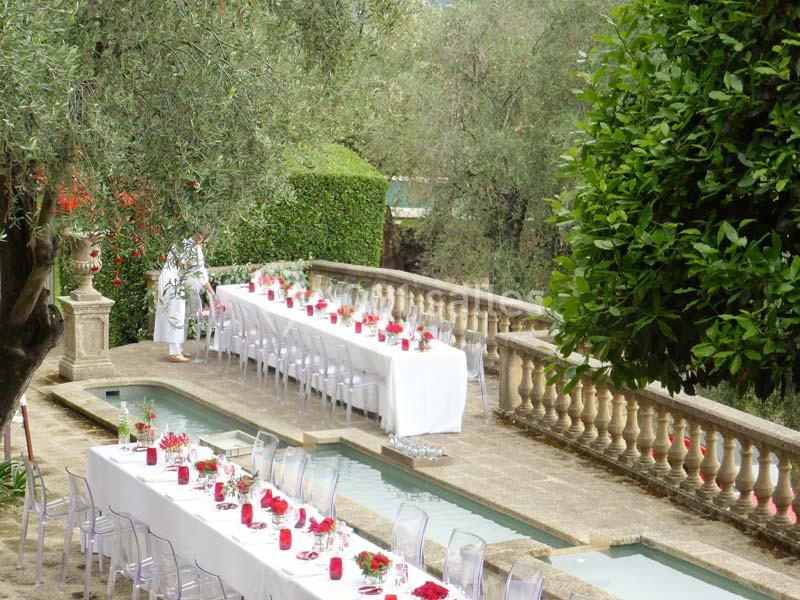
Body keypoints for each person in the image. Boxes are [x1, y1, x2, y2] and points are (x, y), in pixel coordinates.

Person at [153, 232, 216, 362]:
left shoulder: (186, 243)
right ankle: (174, 353)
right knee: (176, 315)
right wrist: (212, 294)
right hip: (173, 282)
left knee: (179, 315)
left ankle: (178, 350)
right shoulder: (192, 247)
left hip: (172, 280)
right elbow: (201, 275)